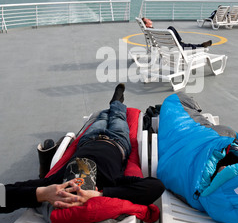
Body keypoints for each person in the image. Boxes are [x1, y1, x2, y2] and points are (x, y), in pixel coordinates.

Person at [0, 84, 165, 214]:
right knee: (117, 116)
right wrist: (100, 194)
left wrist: (42, 193)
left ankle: (113, 104)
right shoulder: (109, 181)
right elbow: (155, 186)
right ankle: (116, 102)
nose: (77, 186)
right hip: (117, 141)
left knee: (100, 117)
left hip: (87, 140)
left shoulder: (56, 183)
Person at [142, 17, 212, 49]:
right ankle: (202, 46)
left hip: (164, 42)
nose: (149, 19)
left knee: (171, 29)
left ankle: (201, 45)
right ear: (147, 24)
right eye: (147, 19)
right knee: (171, 28)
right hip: (168, 45)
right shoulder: (150, 30)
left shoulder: (149, 30)